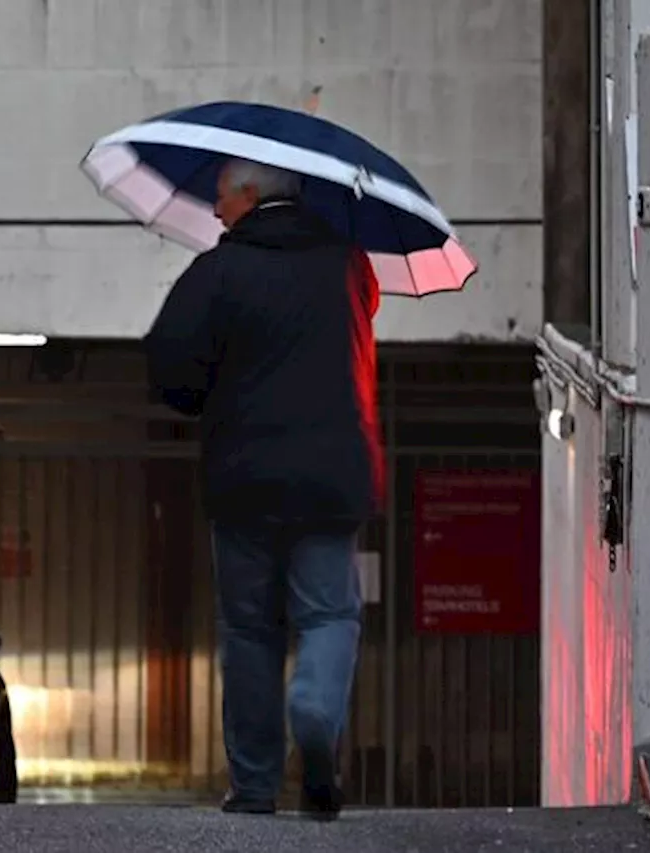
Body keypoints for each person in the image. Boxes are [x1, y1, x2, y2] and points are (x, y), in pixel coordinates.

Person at [144, 157, 383, 820]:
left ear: (249, 196)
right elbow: (363, 316)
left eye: (221, 196)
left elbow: (170, 367)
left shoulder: (218, 272)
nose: (216, 210)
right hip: (333, 475)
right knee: (330, 613)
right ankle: (315, 708)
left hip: (244, 478)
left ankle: (253, 784)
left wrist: (210, 389)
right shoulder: (348, 264)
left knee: (250, 628)